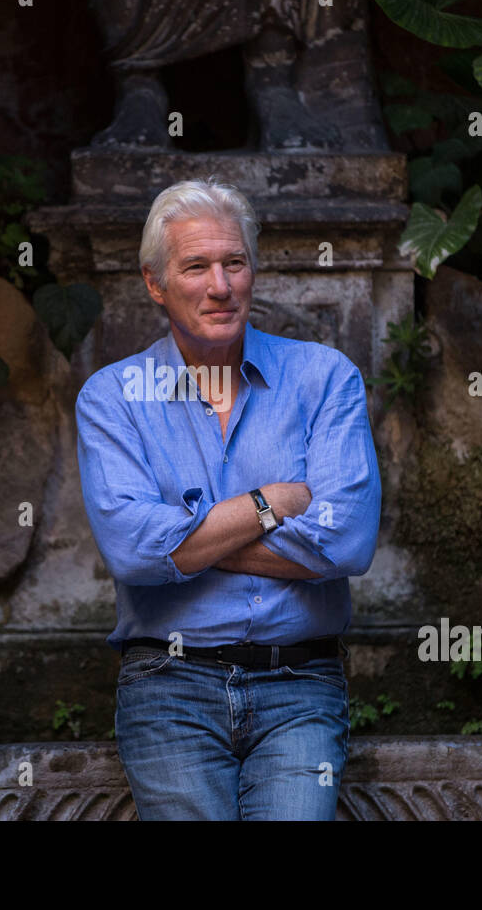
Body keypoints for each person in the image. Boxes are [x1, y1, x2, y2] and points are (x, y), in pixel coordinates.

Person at [74, 177, 381, 820]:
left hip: (301, 685)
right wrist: (268, 503)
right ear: (155, 283)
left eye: (234, 263)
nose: (221, 286)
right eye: (196, 267)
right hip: (168, 686)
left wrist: (185, 541)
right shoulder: (114, 397)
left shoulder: (325, 379)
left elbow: (348, 541)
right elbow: (131, 552)